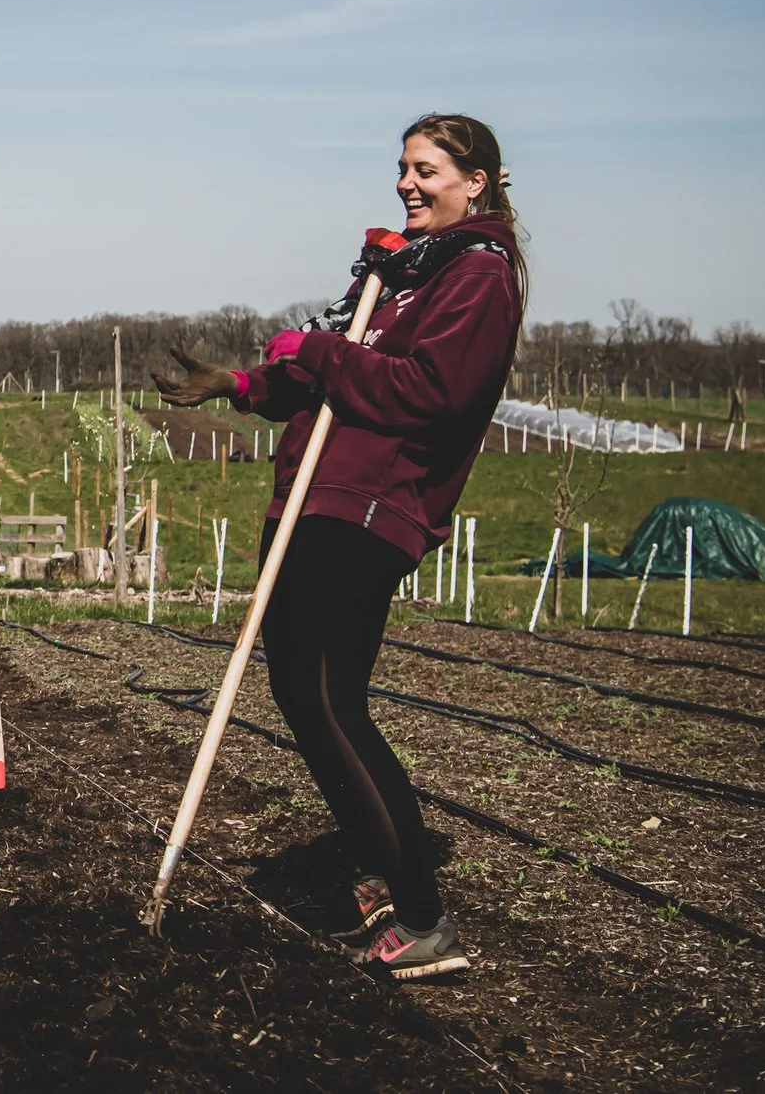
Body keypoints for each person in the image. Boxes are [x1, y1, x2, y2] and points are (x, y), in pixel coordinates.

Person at [156, 113, 525, 982]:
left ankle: (423, 915)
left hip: (369, 507)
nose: (406, 182)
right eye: (402, 166)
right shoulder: (407, 272)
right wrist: (244, 384)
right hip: (322, 498)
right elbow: (339, 376)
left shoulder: (478, 275)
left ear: (475, 182)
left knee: (325, 697)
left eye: (426, 169)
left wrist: (320, 352)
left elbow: (425, 391)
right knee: (312, 693)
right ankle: (382, 872)